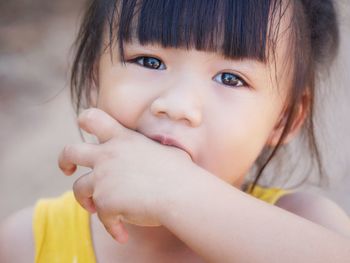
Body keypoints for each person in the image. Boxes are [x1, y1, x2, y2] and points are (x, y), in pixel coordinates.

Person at [1, 0, 350, 262]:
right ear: (95, 78)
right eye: (149, 61)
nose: (178, 105)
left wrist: (177, 193)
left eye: (230, 78)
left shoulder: (307, 227)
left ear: (283, 119)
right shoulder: (27, 243)